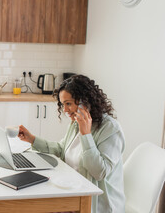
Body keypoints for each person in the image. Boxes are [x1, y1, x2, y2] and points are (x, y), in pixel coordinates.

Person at [18, 74, 125, 213]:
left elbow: (99, 172)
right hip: (74, 193)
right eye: (63, 104)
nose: (65, 110)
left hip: (97, 205)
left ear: (85, 102)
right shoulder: (76, 123)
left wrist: (86, 134)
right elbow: (61, 150)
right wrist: (32, 139)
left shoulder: (110, 129)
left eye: (68, 103)